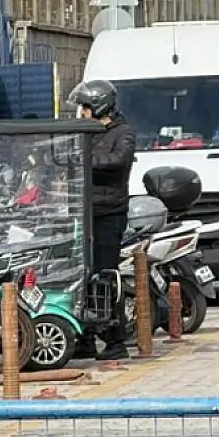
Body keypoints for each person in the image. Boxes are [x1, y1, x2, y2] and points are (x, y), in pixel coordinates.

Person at [69, 78, 136, 361]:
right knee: (80, 277)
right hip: (83, 213)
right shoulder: (88, 131)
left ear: (98, 106)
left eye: (84, 107)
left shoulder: (123, 133)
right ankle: (84, 336)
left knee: (105, 275)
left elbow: (120, 159)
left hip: (109, 213)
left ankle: (114, 337)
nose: (81, 112)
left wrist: (85, 159)